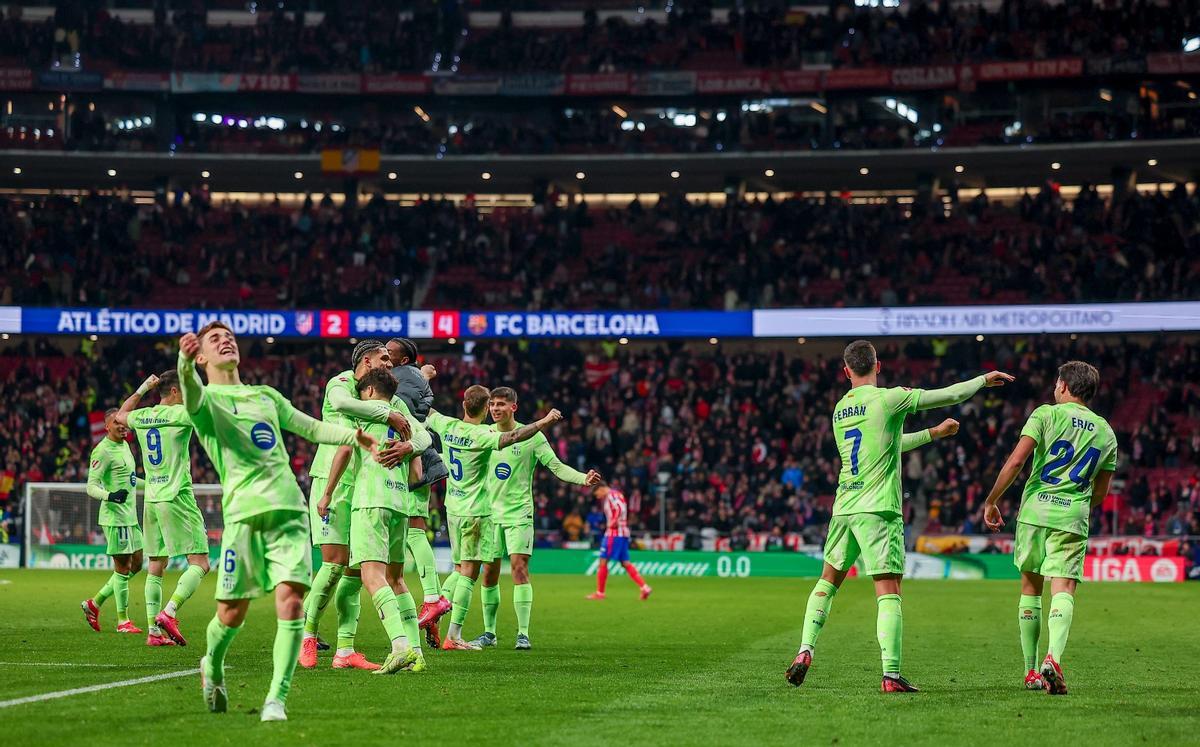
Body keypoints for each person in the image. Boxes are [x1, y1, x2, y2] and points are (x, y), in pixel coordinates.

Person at [785, 339, 1013, 692]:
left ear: (846, 372)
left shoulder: (839, 409)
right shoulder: (890, 398)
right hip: (879, 510)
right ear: (879, 366)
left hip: (844, 507)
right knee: (888, 590)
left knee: (827, 582)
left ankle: (804, 649)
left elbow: (889, 443)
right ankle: (890, 674)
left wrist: (933, 434)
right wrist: (983, 380)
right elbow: (948, 395)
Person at [178, 321, 378, 722]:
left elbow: (309, 426)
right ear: (201, 356)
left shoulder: (265, 395)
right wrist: (182, 366)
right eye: (214, 339)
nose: (225, 340)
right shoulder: (204, 402)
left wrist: (352, 436)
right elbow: (191, 392)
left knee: (291, 602)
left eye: (229, 336)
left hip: (288, 509)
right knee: (231, 614)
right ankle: (212, 665)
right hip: (243, 517)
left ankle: (276, 699)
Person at [982, 361, 1117, 695]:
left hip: (1034, 512)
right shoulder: (1106, 432)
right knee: (1064, 589)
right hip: (1071, 517)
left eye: (1057, 383)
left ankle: (1030, 671)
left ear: (1064, 387)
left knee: (1030, 589)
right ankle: (1053, 658)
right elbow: (1100, 493)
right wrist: (1075, 505)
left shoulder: (1045, 415)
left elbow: (1016, 461)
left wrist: (991, 501)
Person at [300, 339, 413, 671]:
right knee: (334, 563)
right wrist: (388, 413)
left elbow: (418, 434)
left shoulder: (378, 393)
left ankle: (345, 649)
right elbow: (343, 406)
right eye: (384, 360)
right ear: (366, 360)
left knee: (354, 571)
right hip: (330, 480)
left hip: (363, 485)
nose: (390, 365)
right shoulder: (342, 383)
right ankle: (306, 635)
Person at [423, 385, 563, 650]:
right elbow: (514, 436)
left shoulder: (446, 424)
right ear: (486, 408)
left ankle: (434, 602)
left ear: (464, 404)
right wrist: (544, 421)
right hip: (477, 511)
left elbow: (425, 410)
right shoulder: (483, 435)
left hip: (452, 508)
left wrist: (424, 379)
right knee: (468, 575)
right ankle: (453, 635)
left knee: (458, 569)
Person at [473, 387, 603, 650]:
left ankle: (522, 633)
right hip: (489, 513)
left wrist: (583, 478)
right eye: (492, 405)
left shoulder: (533, 437)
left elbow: (556, 466)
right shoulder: (483, 434)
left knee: (520, 569)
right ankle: (489, 633)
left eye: (501, 405)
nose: (495, 409)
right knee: (489, 574)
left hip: (519, 512)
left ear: (513, 408)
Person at [324, 368, 432, 673]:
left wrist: (327, 493)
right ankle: (417, 653)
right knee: (397, 579)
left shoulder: (361, 413)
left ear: (369, 392)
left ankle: (399, 646)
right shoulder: (402, 418)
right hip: (400, 503)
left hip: (370, 500)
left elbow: (345, 449)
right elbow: (420, 468)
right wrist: (409, 448)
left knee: (372, 576)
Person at [116, 370, 210, 647]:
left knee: (156, 564)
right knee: (201, 562)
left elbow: (121, 416)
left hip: (152, 499)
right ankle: (169, 612)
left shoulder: (144, 416)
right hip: (177, 495)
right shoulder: (181, 414)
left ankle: (152, 633)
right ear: (174, 392)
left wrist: (144, 387)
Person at [386, 337, 452, 640]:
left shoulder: (403, 378)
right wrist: (423, 373)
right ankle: (430, 616)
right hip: (413, 459)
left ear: (402, 361)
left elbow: (406, 411)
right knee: (406, 532)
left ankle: (432, 597)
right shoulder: (410, 375)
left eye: (389, 354)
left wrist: (421, 373)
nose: (383, 358)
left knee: (414, 529)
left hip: (414, 459)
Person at [80, 408, 144, 635]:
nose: (122, 425)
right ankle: (122, 621)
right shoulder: (102, 451)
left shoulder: (125, 445)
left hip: (130, 516)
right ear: (107, 426)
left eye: (123, 422)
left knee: (137, 563)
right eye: (116, 422)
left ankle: (94, 603)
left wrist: (156, 485)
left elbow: (132, 480)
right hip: (115, 518)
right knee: (122, 568)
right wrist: (110, 496)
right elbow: (91, 486)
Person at [586, 484, 651, 601]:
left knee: (603, 560)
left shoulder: (611, 495)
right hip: (623, 533)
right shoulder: (617, 494)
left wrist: (614, 520)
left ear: (600, 488)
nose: (598, 497)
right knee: (625, 562)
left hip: (614, 534)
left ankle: (600, 593)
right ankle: (644, 587)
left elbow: (619, 508)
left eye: (597, 494)